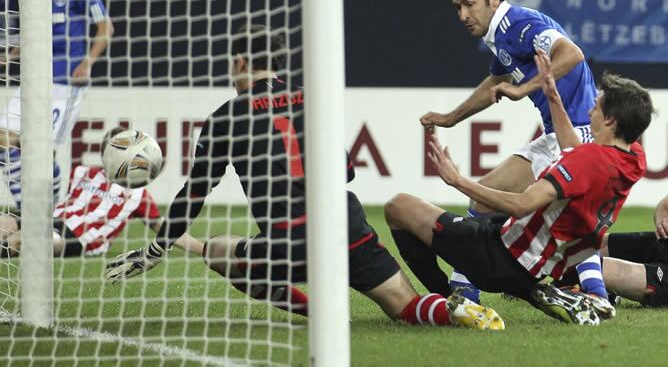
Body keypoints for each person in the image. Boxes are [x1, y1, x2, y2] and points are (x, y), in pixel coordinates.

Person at [104, 24, 505, 330]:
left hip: (290, 242)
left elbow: (195, 194)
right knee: (404, 307)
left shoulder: (225, 118)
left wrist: (158, 248)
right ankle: (453, 309)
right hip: (348, 229)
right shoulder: (315, 100)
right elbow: (346, 170)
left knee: (221, 254)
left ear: (241, 62)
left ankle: (320, 314)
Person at [386, 49, 653, 325]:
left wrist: (458, 181)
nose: (589, 110)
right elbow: (574, 150)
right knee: (490, 224)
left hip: (499, 255)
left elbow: (522, 203)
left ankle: (451, 303)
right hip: (535, 262)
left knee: (399, 207)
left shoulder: (588, 161)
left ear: (610, 120)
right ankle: (538, 292)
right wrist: (553, 97)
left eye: (596, 106)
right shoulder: (633, 159)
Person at [418, 0, 603, 303]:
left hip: (575, 133)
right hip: (558, 134)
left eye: (469, 3)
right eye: (458, 6)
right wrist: (452, 117)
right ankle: (593, 293)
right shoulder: (499, 35)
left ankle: (466, 293)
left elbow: (571, 54)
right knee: (561, 216)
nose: (462, 14)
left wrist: (525, 88)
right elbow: (498, 78)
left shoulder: (518, 23)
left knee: (490, 199)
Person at [0, 0, 114, 210]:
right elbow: (37, 36)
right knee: (3, 140)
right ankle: (31, 208)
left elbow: (106, 28)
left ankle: (48, 212)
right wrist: (10, 55)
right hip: (35, 78)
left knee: (40, 152)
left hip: (66, 81)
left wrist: (88, 61)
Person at [0, 127, 203, 258]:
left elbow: (163, 227)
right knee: (5, 222)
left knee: (29, 237)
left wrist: (203, 249)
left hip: (78, 239)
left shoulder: (138, 195)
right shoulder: (81, 172)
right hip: (52, 220)